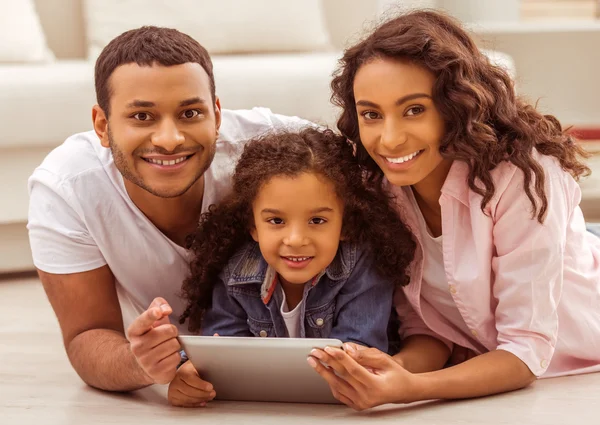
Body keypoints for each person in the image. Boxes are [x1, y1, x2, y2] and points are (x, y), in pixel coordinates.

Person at [308, 10, 600, 410]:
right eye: (371, 114)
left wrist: (409, 389)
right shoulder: (377, 187)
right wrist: (387, 373)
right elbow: (428, 329)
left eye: (414, 110)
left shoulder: (521, 178)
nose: (390, 140)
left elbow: (525, 351)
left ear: (456, 105)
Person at [27, 26, 309, 392]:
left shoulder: (272, 143)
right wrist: (142, 364)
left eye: (191, 113)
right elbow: (87, 334)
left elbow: (381, 164)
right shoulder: (65, 188)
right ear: (102, 125)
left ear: (217, 114)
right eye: (142, 117)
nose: (169, 140)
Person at [164, 127, 416, 407]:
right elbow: (220, 353)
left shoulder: (363, 266)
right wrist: (190, 376)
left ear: (345, 224)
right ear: (253, 226)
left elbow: (360, 357)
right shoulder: (235, 272)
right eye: (276, 221)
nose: (295, 240)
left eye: (317, 221)